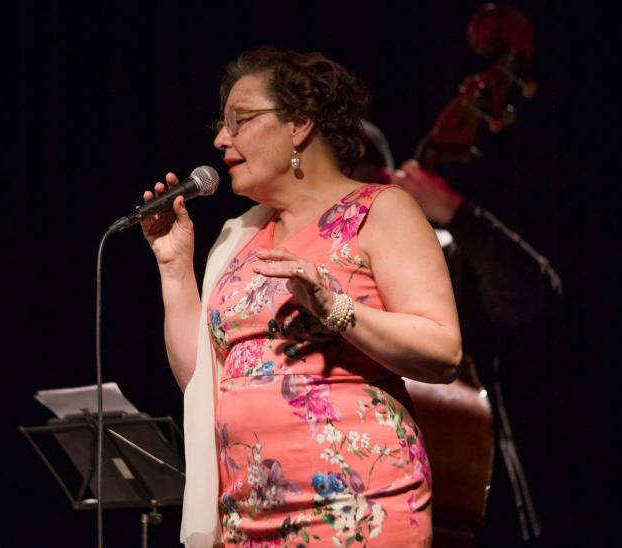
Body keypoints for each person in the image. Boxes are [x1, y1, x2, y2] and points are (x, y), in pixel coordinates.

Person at [140, 48, 462, 547]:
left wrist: (335, 308)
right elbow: (202, 383)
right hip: (247, 512)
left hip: (357, 505)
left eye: (240, 120)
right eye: (222, 125)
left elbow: (444, 352)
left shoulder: (380, 210)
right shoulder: (237, 238)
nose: (221, 139)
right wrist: (175, 268)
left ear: (299, 124)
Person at [354, 121, 562, 547]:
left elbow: (533, 294)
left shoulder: (445, 254)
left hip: (468, 500)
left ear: (389, 184)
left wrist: (452, 211)